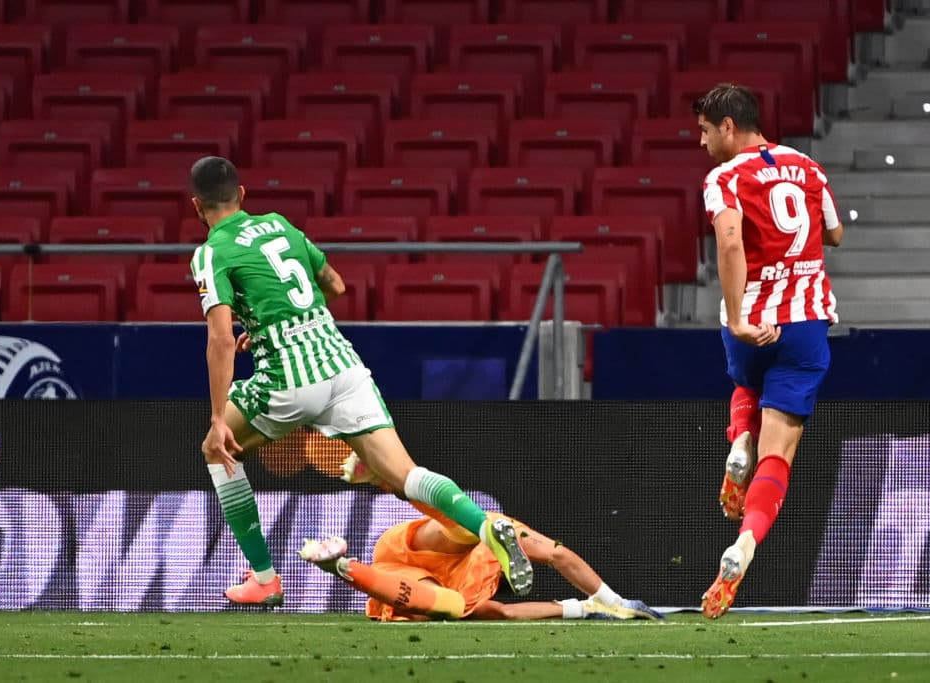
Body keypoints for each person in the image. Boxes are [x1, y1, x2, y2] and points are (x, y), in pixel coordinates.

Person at [187, 156, 533, 606]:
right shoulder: (280, 225)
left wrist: (218, 417)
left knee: (217, 450)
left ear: (197, 207)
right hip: (343, 366)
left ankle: (266, 578)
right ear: (243, 194)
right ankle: (486, 525)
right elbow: (334, 285)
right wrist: (272, 320)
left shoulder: (212, 252)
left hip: (288, 376)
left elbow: (219, 338)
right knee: (405, 473)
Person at [693, 84, 844, 619]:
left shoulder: (724, 178)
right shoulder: (807, 167)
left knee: (746, 386)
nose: (704, 142)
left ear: (728, 126)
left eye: (706, 131)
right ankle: (745, 546)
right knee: (778, 456)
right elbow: (835, 233)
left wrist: (737, 317)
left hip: (753, 319)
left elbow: (730, 241)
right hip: (804, 324)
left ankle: (738, 443)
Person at [297, 454, 662, 622]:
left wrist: (590, 607)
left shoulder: (477, 595)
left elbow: (549, 562)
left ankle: (342, 563)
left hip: (403, 564)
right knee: (464, 540)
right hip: (427, 548)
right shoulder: (488, 574)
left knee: (449, 602)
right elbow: (555, 556)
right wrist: (610, 602)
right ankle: (345, 558)